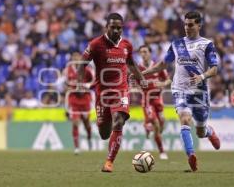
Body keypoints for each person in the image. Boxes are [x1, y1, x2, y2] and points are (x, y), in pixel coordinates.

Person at [142, 11, 221, 172]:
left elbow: (214, 69)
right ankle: (191, 156)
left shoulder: (207, 44)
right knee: (184, 119)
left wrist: (202, 76)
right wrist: (140, 73)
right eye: (185, 24)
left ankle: (209, 131)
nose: (187, 27)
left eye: (191, 24)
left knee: (199, 131)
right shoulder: (177, 44)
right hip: (179, 89)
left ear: (199, 25)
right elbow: (162, 65)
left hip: (199, 92)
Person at [78, 13, 145, 172]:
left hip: (121, 90)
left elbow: (131, 64)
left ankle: (109, 162)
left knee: (119, 120)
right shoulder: (95, 44)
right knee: (104, 133)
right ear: (106, 27)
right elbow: (81, 65)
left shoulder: (127, 45)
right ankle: (102, 123)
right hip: (102, 93)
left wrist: (141, 79)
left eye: (119, 28)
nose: (116, 30)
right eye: (113, 27)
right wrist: (80, 84)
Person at [137, 45, 171, 160]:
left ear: (150, 53)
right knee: (155, 122)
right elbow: (132, 82)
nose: (143, 54)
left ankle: (147, 126)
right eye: (141, 52)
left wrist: (163, 84)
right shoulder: (138, 69)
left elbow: (168, 80)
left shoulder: (158, 66)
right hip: (147, 100)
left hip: (158, 99)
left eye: (145, 52)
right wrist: (138, 86)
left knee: (161, 125)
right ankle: (162, 151)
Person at [65, 52, 94, 155]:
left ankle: (89, 137)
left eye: (77, 57)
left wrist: (87, 85)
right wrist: (70, 87)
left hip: (85, 100)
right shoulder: (68, 70)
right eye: (74, 57)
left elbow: (94, 81)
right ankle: (77, 147)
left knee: (87, 124)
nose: (76, 58)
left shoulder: (86, 69)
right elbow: (65, 85)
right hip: (74, 100)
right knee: (75, 123)